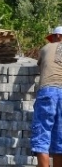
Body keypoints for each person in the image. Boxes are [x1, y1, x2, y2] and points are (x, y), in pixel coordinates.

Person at [32, 26, 62, 167]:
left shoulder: (45, 48)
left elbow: (40, 66)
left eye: (53, 37)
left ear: (58, 36)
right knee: (60, 139)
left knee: (42, 135)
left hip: (48, 92)